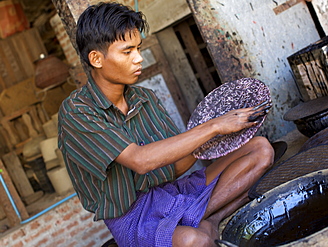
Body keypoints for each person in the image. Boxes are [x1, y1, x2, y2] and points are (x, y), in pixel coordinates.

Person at [58, 2, 274, 247]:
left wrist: (218, 132)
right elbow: (141, 161)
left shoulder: (144, 98)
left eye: (139, 48)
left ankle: (211, 219)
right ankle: (202, 221)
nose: (139, 58)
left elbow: (177, 167)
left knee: (261, 149)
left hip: (174, 192)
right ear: (96, 58)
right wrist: (214, 126)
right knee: (194, 241)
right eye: (127, 51)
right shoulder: (77, 111)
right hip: (133, 217)